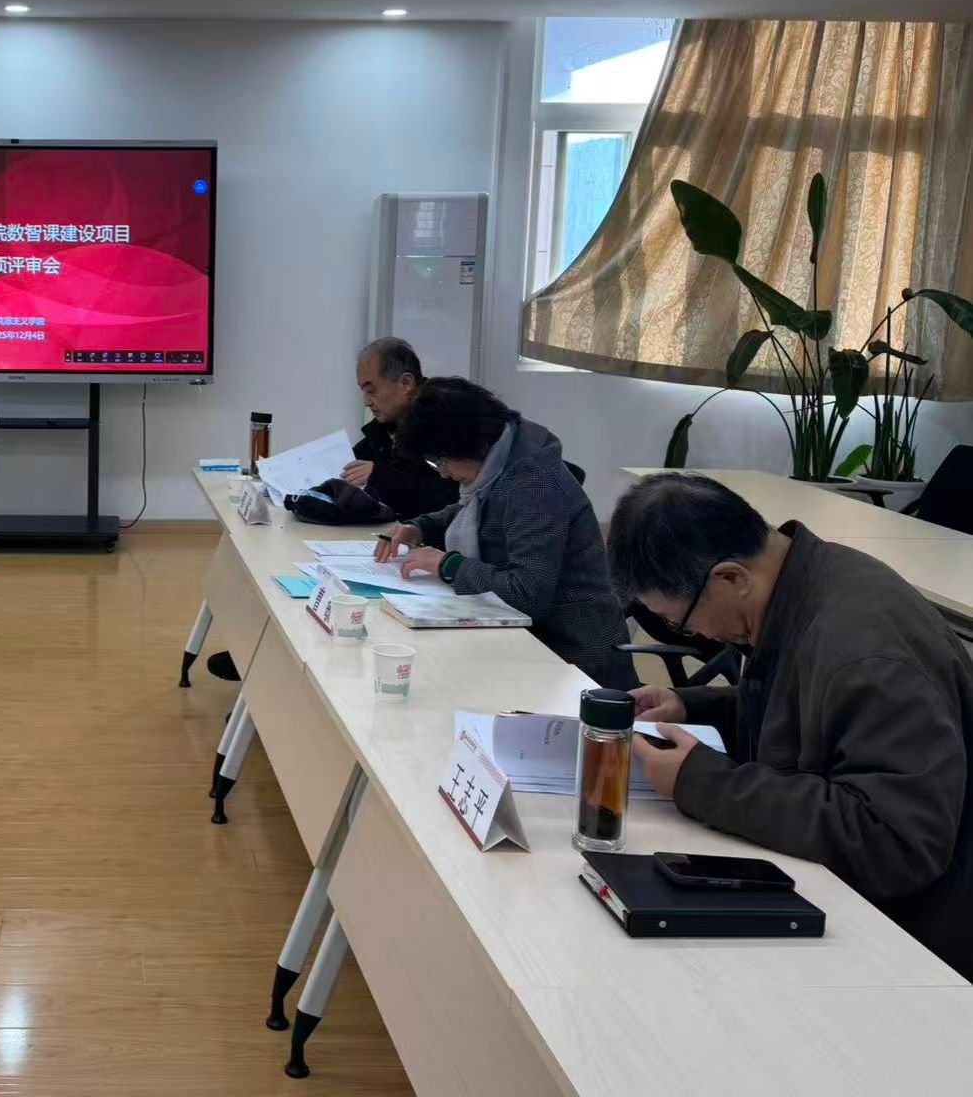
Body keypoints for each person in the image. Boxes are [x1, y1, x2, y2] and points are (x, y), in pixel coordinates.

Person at [608, 472, 973, 979]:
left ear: (730, 578)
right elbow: (813, 711)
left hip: (916, 941)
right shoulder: (804, 581)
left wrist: (702, 782)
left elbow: (895, 842)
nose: (692, 634)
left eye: (678, 620)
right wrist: (693, 707)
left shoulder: (865, 651)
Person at [374, 377, 635, 688]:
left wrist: (448, 565)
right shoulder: (504, 454)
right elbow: (476, 510)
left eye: (442, 460)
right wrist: (421, 527)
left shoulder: (534, 484)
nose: (443, 473)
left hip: (574, 661)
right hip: (529, 641)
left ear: (468, 443)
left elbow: (527, 594)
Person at [343, 337, 459, 519]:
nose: (366, 402)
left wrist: (379, 476)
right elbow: (357, 461)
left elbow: (447, 500)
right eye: (362, 391)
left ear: (406, 383)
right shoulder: (387, 426)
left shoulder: (447, 422)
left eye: (371, 390)